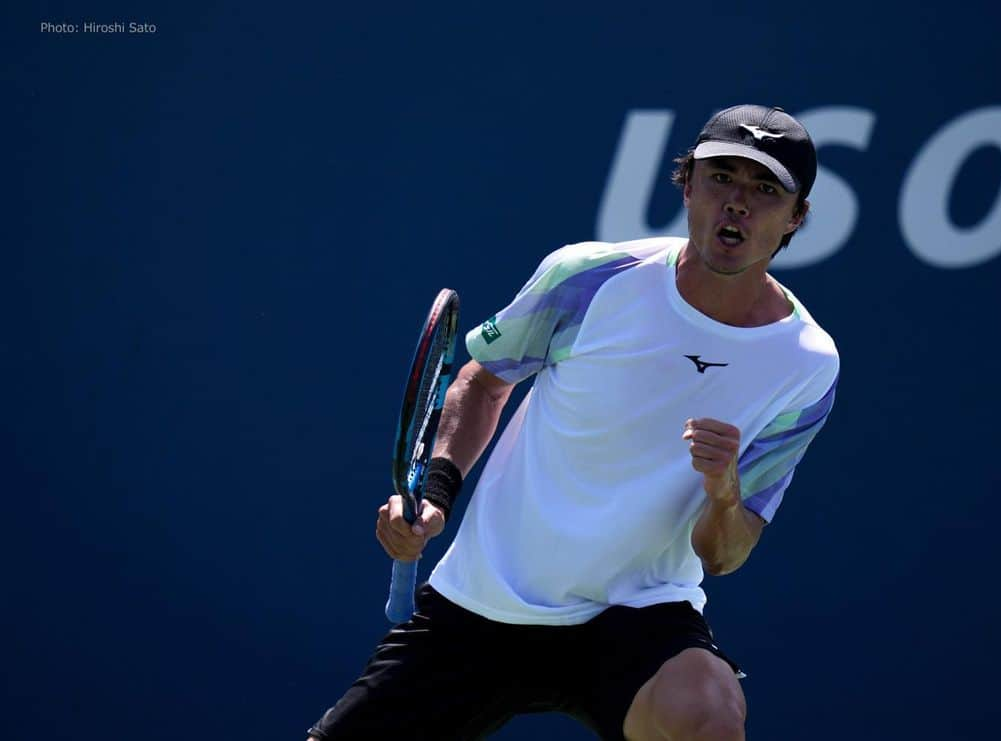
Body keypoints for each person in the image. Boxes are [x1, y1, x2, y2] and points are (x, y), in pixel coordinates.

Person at [306, 104, 839, 741]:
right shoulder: (589, 277)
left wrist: (724, 491)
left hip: (638, 614)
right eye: (722, 177)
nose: (737, 204)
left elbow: (723, 556)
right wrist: (437, 495)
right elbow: (482, 380)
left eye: (764, 190)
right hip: (484, 602)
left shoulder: (806, 364)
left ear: (796, 216)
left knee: (709, 716)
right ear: (688, 183)